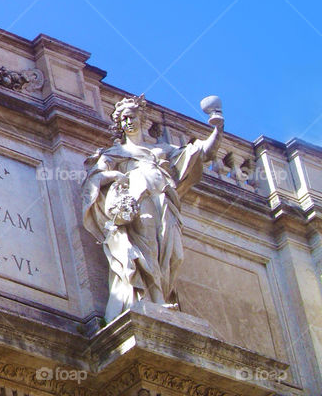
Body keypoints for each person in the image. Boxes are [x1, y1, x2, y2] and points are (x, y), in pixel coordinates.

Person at [81, 94, 224, 322]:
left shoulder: (161, 150)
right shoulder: (114, 154)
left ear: (142, 118)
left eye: (132, 117)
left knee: (174, 255)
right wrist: (116, 175)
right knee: (146, 248)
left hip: (165, 202)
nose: (128, 122)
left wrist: (217, 127)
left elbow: (203, 153)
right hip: (140, 201)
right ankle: (155, 300)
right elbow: (94, 178)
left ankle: (162, 295)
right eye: (124, 119)